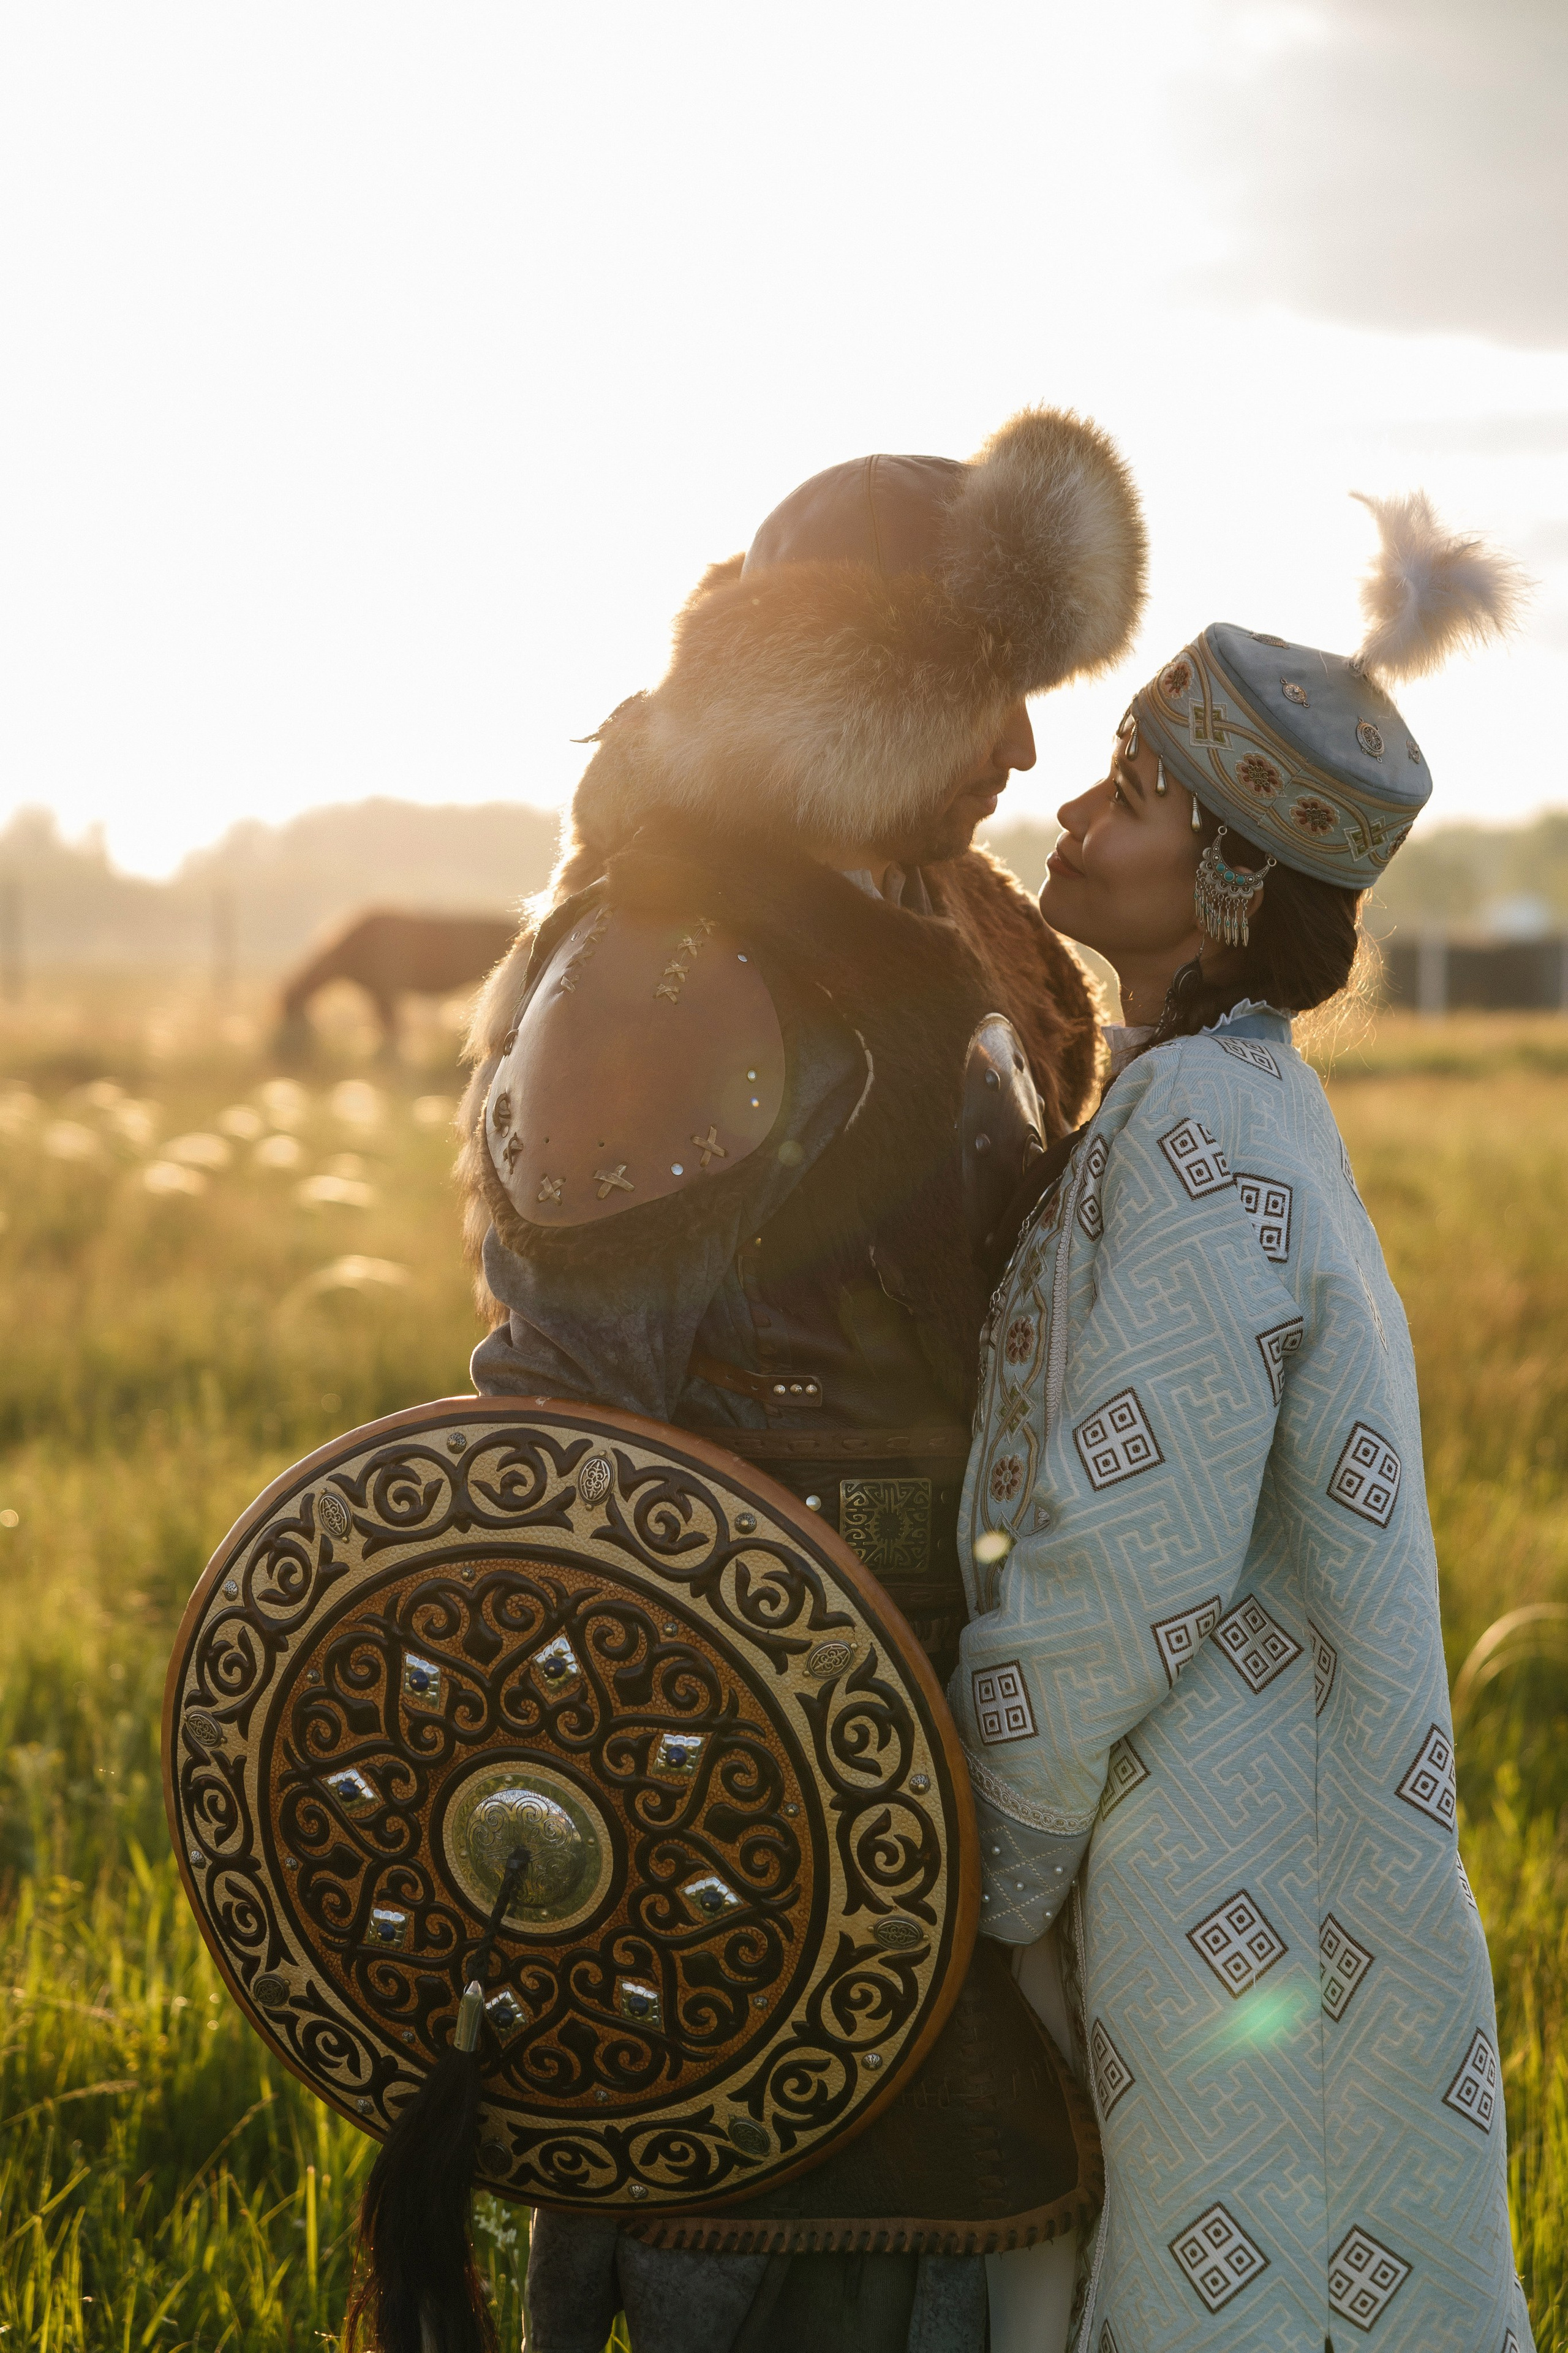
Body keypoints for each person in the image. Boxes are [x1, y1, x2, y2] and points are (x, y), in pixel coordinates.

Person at [457, 409, 1148, 2353]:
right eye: (988, 695)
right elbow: (561, 1448)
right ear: (869, 697)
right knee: (765, 2262)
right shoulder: (666, 974)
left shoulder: (952, 927)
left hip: (969, 1717)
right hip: (742, 1773)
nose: (1025, 750)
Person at [954, 491, 1534, 2350]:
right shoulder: (1221, 1102)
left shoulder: (1201, 1131)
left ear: (1223, 875)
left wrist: (995, 1833)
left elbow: (1134, 1536)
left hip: (1226, 1868)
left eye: (1124, 791)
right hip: (1255, 1839)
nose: (1072, 812)